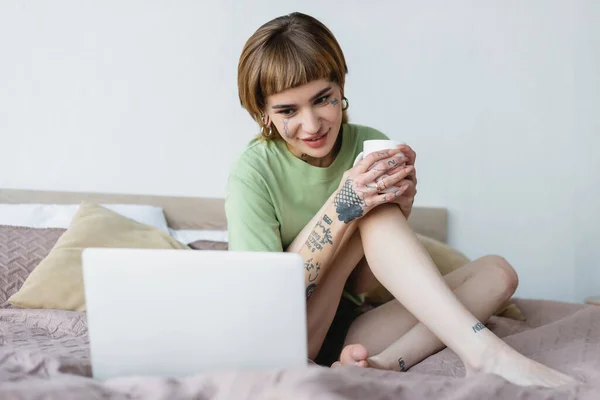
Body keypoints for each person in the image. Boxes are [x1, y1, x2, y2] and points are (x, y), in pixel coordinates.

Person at [225, 12, 575, 388]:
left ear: (340, 87)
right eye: (288, 111)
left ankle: (385, 365)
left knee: (499, 273)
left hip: (355, 330)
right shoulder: (253, 172)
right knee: (364, 210)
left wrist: (397, 212)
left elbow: (359, 287)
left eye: (323, 99)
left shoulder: (367, 143)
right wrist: (343, 208)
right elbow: (265, 307)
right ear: (263, 113)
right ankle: (485, 353)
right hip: (292, 335)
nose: (311, 125)